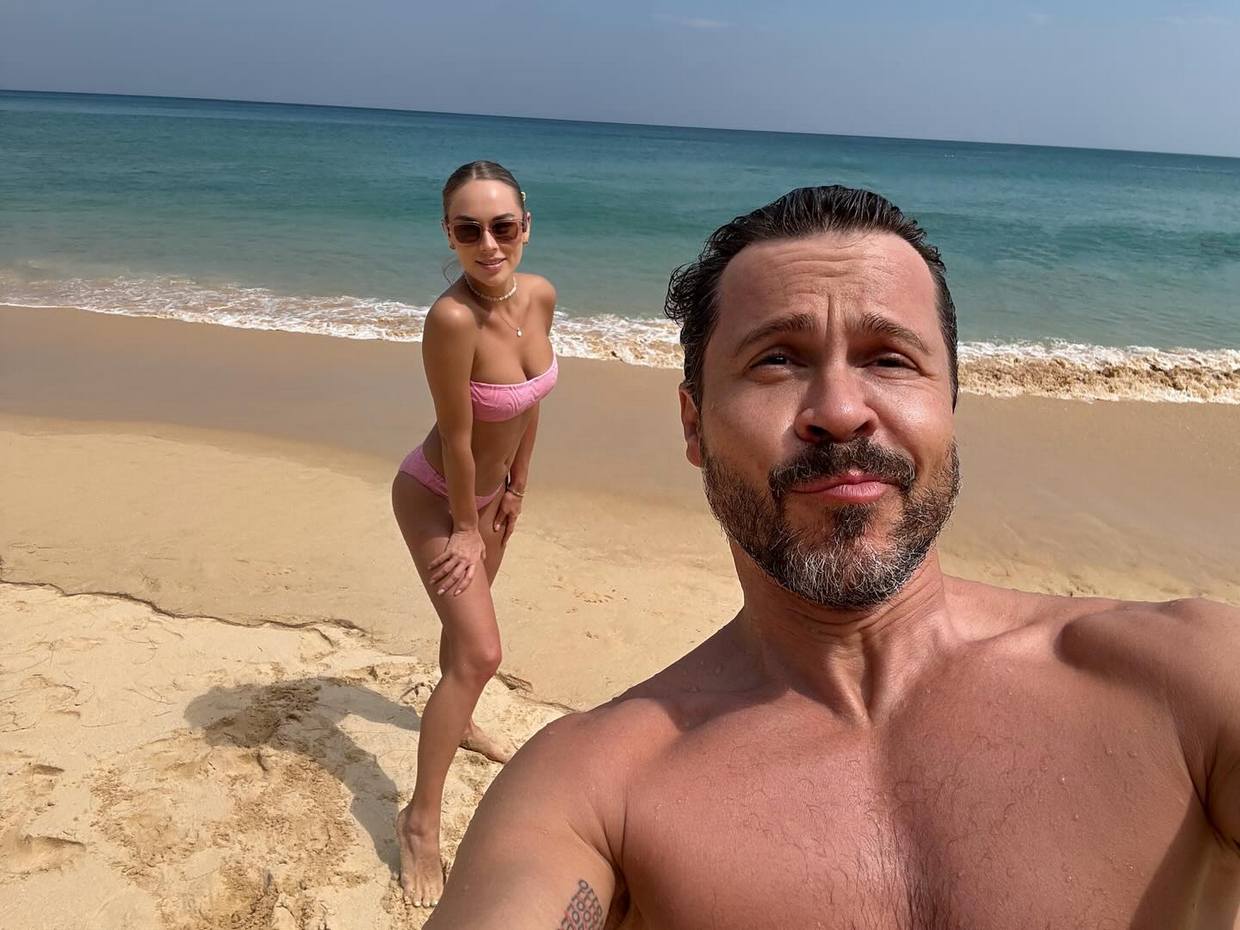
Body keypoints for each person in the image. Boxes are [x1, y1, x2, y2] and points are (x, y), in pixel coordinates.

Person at [422, 185, 1240, 928]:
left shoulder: (1185, 683)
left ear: (950, 404)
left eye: (890, 358)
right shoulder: (593, 790)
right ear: (693, 426)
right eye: (776, 359)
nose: (841, 412)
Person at [392, 160, 558, 908]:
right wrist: (465, 526)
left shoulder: (541, 295)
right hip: (438, 498)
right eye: (469, 230)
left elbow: (531, 400)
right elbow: (457, 437)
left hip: (491, 497)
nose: (488, 244)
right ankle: (419, 823)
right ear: (449, 235)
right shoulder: (452, 319)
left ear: (526, 226)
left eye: (502, 226)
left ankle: (457, 725)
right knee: (483, 652)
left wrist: (517, 486)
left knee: (462, 641)